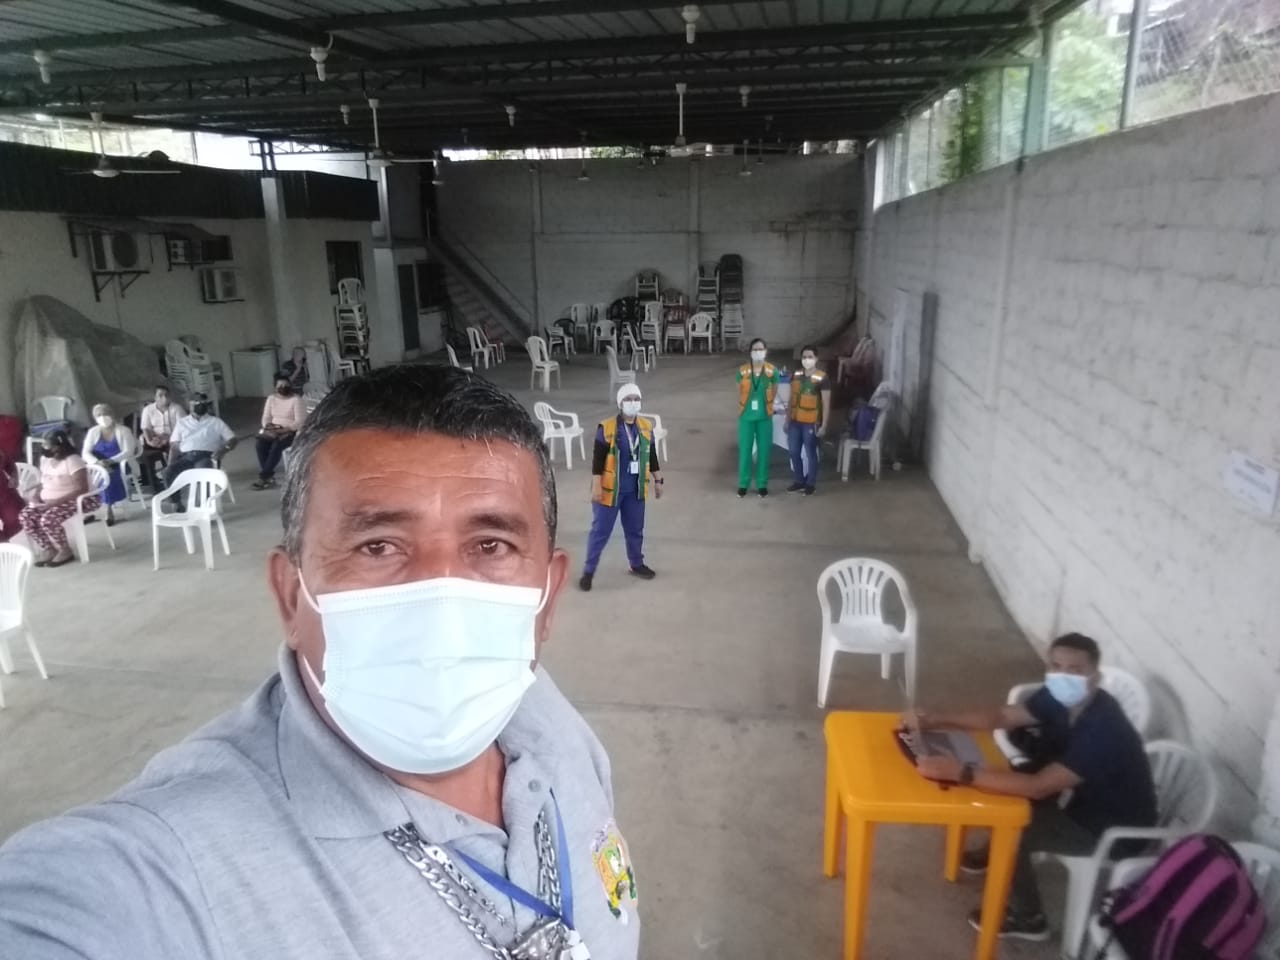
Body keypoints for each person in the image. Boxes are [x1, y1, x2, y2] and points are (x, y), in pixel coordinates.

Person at [0, 365, 641, 960]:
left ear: (547, 596)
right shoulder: (163, 871)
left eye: (491, 544)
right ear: (291, 595)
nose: (442, 606)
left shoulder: (544, 717)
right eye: (379, 545)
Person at [906, 633, 1157, 942]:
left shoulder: (1104, 730)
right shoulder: (1060, 697)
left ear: (1096, 676)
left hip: (1109, 829)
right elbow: (1003, 716)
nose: (1063, 676)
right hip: (1077, 797)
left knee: (1012, 827)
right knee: (1000, 785)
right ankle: (995, 855)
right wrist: (938, 719)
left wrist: (960, 772)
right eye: (1056, 666)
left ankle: (1029, 918)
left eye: (1076, 670)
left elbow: (1038, 787)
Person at [580, 384, 662, 592]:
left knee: (635, 530)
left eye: (636, 398)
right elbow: (598, 460)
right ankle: (588, 572)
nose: (633, 403)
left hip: (635, 489)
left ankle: (636, 563)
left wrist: (658, 479)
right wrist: (596, 485)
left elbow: (651, 454)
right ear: (620, 403)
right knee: (600, 531)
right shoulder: (606, 428)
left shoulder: (646, 426)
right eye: (628, 399)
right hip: (610, 490)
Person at [17, 430, 96, 567]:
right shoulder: (45, 460)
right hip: (48, 501)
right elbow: (43, 482)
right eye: (44, 445)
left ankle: (65, 550)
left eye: (49, 445)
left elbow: (82, 489)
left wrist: (55, 502)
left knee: (48, 519)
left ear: (60, 446)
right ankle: (48, 548)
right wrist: (36, 496)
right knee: (26, 516)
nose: (46, 448)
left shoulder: (73, 461)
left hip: (76, 499)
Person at [165, 394, 237, 508]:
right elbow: (174, 445)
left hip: (206, 456)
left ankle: (203, 507)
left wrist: (223, 450)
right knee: (168, 472)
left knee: (201, 474)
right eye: (197, 403)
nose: (201, 405)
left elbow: (232, 439)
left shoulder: (215, 421)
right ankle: (176, 503)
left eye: (203, 403)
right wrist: (170, 463)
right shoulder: (182, 422)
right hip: (186, 457)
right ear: (190, 405)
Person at [736, 337, 780, 498]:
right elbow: (740, 391)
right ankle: (743, 483)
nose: (758, 352)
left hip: (764, 417)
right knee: (745, 451)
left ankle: (762, 484)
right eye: (755, 349)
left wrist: (765, 405)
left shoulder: (772, 371)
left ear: (766, 351)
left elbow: (774, 391)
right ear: (750, 352)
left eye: (761, 349)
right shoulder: (742, 371)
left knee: (764, 451)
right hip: (746, 417)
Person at [82, 403, 138, 526]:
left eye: (105, 414)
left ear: (112, 415)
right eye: (99, 415)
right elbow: (85, 452)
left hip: (119, 464)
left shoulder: (124, 430)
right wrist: (97, 462)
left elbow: (128, 451)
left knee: (107, 476)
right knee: (87, 478)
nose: (103, 417)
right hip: (98, 465)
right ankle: (88, 510)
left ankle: (108, 510)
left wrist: (111, 461)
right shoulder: (93, 432)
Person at [786, 345, 831, 496]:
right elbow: (791, 399)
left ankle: (810, 484)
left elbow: (826, 404)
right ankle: (799, 481)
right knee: (793, 452)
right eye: (804, 357)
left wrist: (824, 425)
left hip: (811, 423)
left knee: (811, 453)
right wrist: (787, 420)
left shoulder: (822, 378)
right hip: (795, 421)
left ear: (816, 359)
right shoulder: (796, 375)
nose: (807, 360)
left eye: (810, 357)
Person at [253, 373, 306, 490]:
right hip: (273, 429)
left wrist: (284, 430)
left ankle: (264, 476)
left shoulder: (296, 400)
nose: (283, 388)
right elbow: (266, 417)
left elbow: (300, 421)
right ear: (275, 387)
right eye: (280, 386)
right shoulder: (271, 399)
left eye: (286, 385)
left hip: (291, 431)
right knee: (260, 444)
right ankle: (269, 477)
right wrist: (269, 427)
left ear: (290, 386)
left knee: (276, 446)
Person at [139, 385, 185, 490]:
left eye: (166, 395)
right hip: (155, 438)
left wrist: (168, 438)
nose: (164, 398)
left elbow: (183, 427)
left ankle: (172, 481)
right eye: (160, 395)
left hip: (172, 438)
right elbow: (145, 428)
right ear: (155, 397)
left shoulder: (177, 408)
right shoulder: (148, 409)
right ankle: (154, 486)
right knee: (145, 455)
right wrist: (150, 441)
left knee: (174, 452)